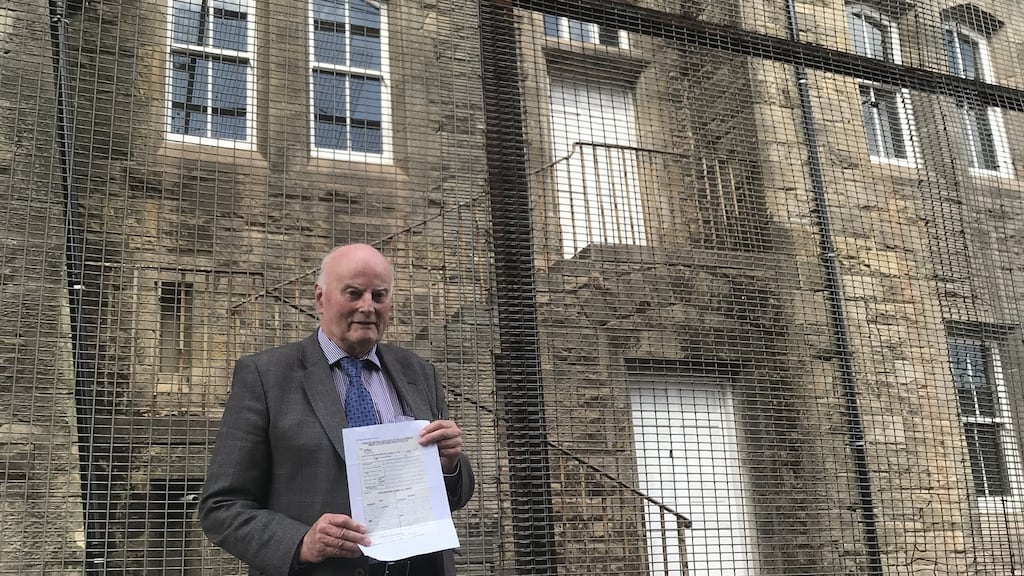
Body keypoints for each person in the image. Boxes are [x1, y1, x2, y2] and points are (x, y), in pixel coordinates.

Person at [200, 243, 475, 576]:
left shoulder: (418, 373)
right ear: (320, 298)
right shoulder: (265, 377)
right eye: (354, 293)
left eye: (379, 295)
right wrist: (301, 542)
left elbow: (453, 497)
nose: (368, 307)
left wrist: (448, 465)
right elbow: (222, 507)